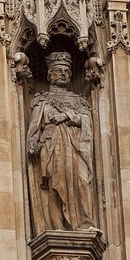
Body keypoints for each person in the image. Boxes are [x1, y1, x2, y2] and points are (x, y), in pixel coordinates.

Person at [25, 51, 96, 232]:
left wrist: (67, 115)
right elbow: (34, 127)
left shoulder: (79, 101)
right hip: (52, 145)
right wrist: (32, 143)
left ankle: (85, 223)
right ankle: (56, 227)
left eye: (66, 71)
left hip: (76, 145)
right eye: (58, 70)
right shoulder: (42, 100)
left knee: (81, 180)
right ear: (50, 74)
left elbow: (87, 121)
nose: (63, 74)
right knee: (55, 184)